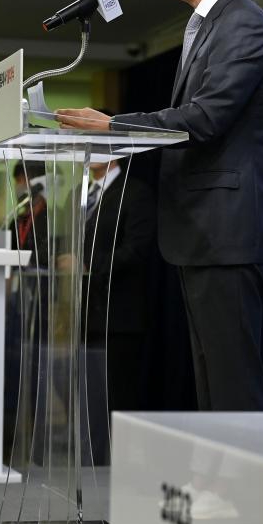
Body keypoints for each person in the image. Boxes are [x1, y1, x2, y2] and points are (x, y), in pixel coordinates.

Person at [56, 0, 263, 411]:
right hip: (203, 233)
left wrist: (115, 126)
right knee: (211, 380)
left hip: (229, 233)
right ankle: (222, 489)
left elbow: (205, 118)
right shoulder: (208, 24)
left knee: (233, 383)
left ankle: (246, 492)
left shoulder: (242, 22)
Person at [58, 158, 156, 461]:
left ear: (116, 153)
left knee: (117, 390)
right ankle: (92, 453)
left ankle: (122, 461)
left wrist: (89, 266)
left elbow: (137, 249)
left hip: (119, 314)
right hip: (83, 312)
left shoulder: (136, 192)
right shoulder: (79, 193)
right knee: (87, 390)